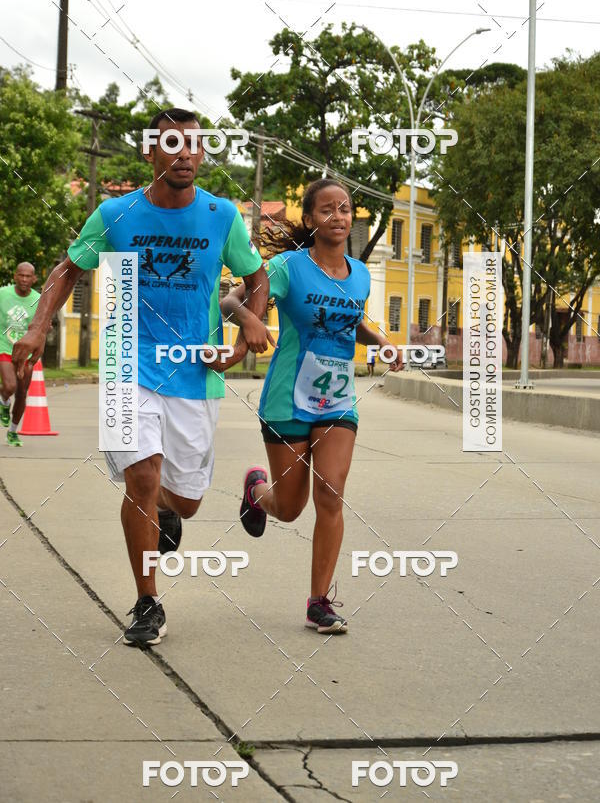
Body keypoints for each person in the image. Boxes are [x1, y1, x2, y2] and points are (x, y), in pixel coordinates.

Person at [13, 108, 270, 648]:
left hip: (194, 372)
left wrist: (250, 326)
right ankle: (147, 600)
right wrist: (38, 330)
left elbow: (255, 277)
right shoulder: (116, 212)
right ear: (149, 152)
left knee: (186, 500)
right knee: (142, 479)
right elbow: (67, 270)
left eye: (194, 145)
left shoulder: (221, 216)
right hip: (127, 362)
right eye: (172, 144)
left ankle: (170, 514)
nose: (185, 154)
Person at [220, 178, 402, 634]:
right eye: (327, 209)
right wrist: (250, 321)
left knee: (331, 494)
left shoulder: (359, 274)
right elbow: (230, 300)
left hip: (338, 399)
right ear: (310, 218)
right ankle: (255, 492)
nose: (337, 216)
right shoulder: (286, 268)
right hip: (287, 396)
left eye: (344, 208)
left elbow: (352, 321)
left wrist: (380, 340)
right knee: (289, 506)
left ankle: (319, 601)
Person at [0, 262, 40, 446]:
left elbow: (42, 330)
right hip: (4, 347)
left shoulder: (38, 300)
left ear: (34, 279)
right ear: (15, 276)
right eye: (21, 275)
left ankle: (13, 432)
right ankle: (3, 401)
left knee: (22, 393)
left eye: (28, 276)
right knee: (10, 386)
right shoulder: (3, 294)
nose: (24, 279)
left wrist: (34, 359)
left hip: (25, 352)